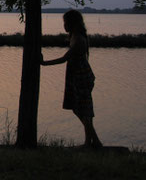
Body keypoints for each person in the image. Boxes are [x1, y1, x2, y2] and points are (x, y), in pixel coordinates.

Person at [40, 9, 102, 148]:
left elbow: (64, 58)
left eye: (65, 22)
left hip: (80, 76)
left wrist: (44, 63)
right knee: (80, 108)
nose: (64, 25)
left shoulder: (78, 39)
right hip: (78, 75)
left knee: (82, 109)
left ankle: (92, 142)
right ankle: (93, 141)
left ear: (71, 23)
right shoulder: (75, 36)